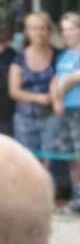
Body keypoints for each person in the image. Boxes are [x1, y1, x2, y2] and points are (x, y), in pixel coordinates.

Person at [10, 11, 60, 155]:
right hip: (24, 120)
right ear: (27, 32)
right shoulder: (18, 58)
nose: (39, 33)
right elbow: (14, 91)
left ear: (49, 31)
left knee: (50, 161)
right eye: (34, 28)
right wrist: (38, 98)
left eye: (43, 28)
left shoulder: (59, 55)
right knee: (28, 162)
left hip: (52, 119)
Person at [48, 12, 80, 214]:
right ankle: (77, 198)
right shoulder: (63, 55)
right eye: (64, 29)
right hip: (66, 110)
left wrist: (59, 95)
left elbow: (72, 78)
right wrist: (55, 99)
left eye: (71, 28)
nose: (67, 33)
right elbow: (57, 79)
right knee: (71, 156)